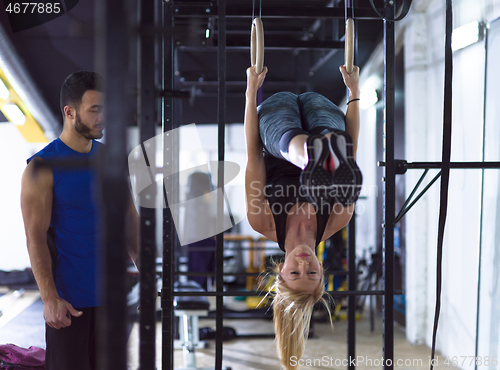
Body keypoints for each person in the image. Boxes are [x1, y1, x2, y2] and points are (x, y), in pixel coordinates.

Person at [244, 64, 362, 370]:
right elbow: (351, 152)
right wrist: (354, 93)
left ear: (280, 270)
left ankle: (312, 158)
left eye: (295, 273)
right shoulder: (337, 220)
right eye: (313, 274)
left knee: (285, 136)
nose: (305, 265)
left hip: (278, 132)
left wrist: (250, 90)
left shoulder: (263, 222)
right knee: (335, 138)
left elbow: (253, 154)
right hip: (323, 119)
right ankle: (319, 156)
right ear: (322, 270)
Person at [20, 71, 139, 370]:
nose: (103, 118)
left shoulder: (110, 160)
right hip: (70, 304)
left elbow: (129, 220)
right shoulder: (42, 168)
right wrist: (49, 299)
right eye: (95, 109)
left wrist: (150, 277)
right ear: (69, 112)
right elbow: (35, 237)